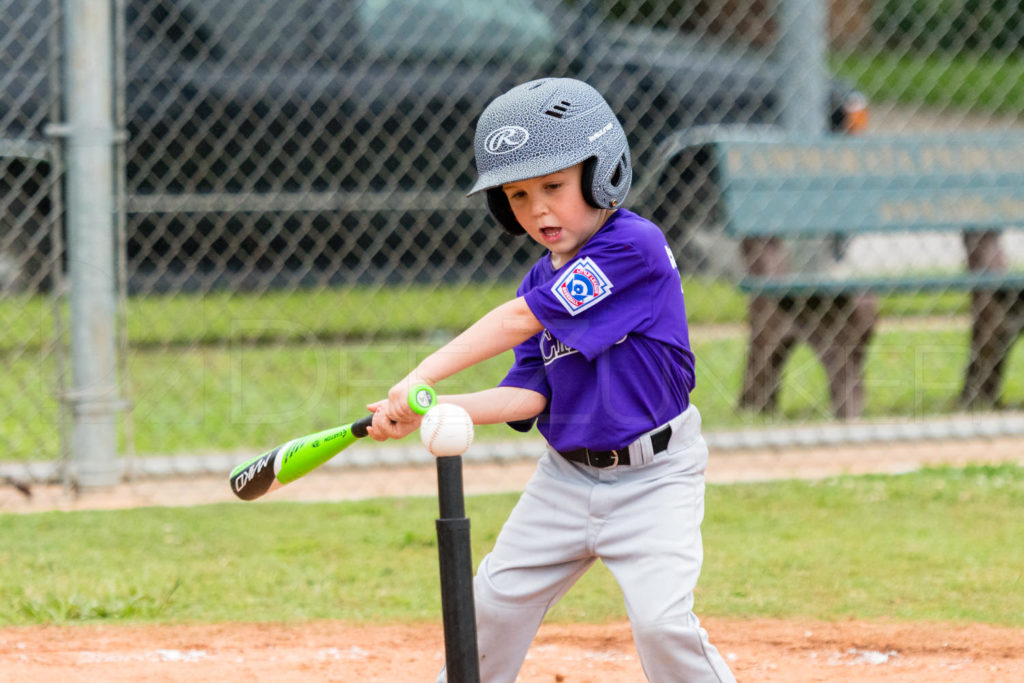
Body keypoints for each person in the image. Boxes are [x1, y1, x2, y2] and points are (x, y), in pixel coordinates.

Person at [367, 77, 735, 683]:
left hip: (655, 478)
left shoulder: (634, 247)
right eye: (516, 195)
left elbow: (518, 321)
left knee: (662, 623)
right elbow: (529, 393)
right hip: (564, 478)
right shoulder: (541, 279)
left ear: (603, 172)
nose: (537, 209)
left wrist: (421, 372)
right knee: (490, 606)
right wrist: (429, 404)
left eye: (554, 186)